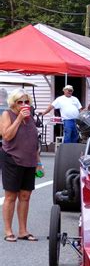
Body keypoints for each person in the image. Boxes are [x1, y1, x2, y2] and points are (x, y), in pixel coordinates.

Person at [0, 89, 43, 242]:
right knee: (11, 196)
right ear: (13, 103)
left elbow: (34, 141)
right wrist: (18, 119)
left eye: (26, 102)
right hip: (12, 158)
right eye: (20, 102)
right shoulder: (7, 114)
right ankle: (8, 230)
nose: (24, 105)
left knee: (25, 196)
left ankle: (23, 231)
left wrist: (38, 162)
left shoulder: (30, 116)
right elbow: (6, 135)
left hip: (29, 160)